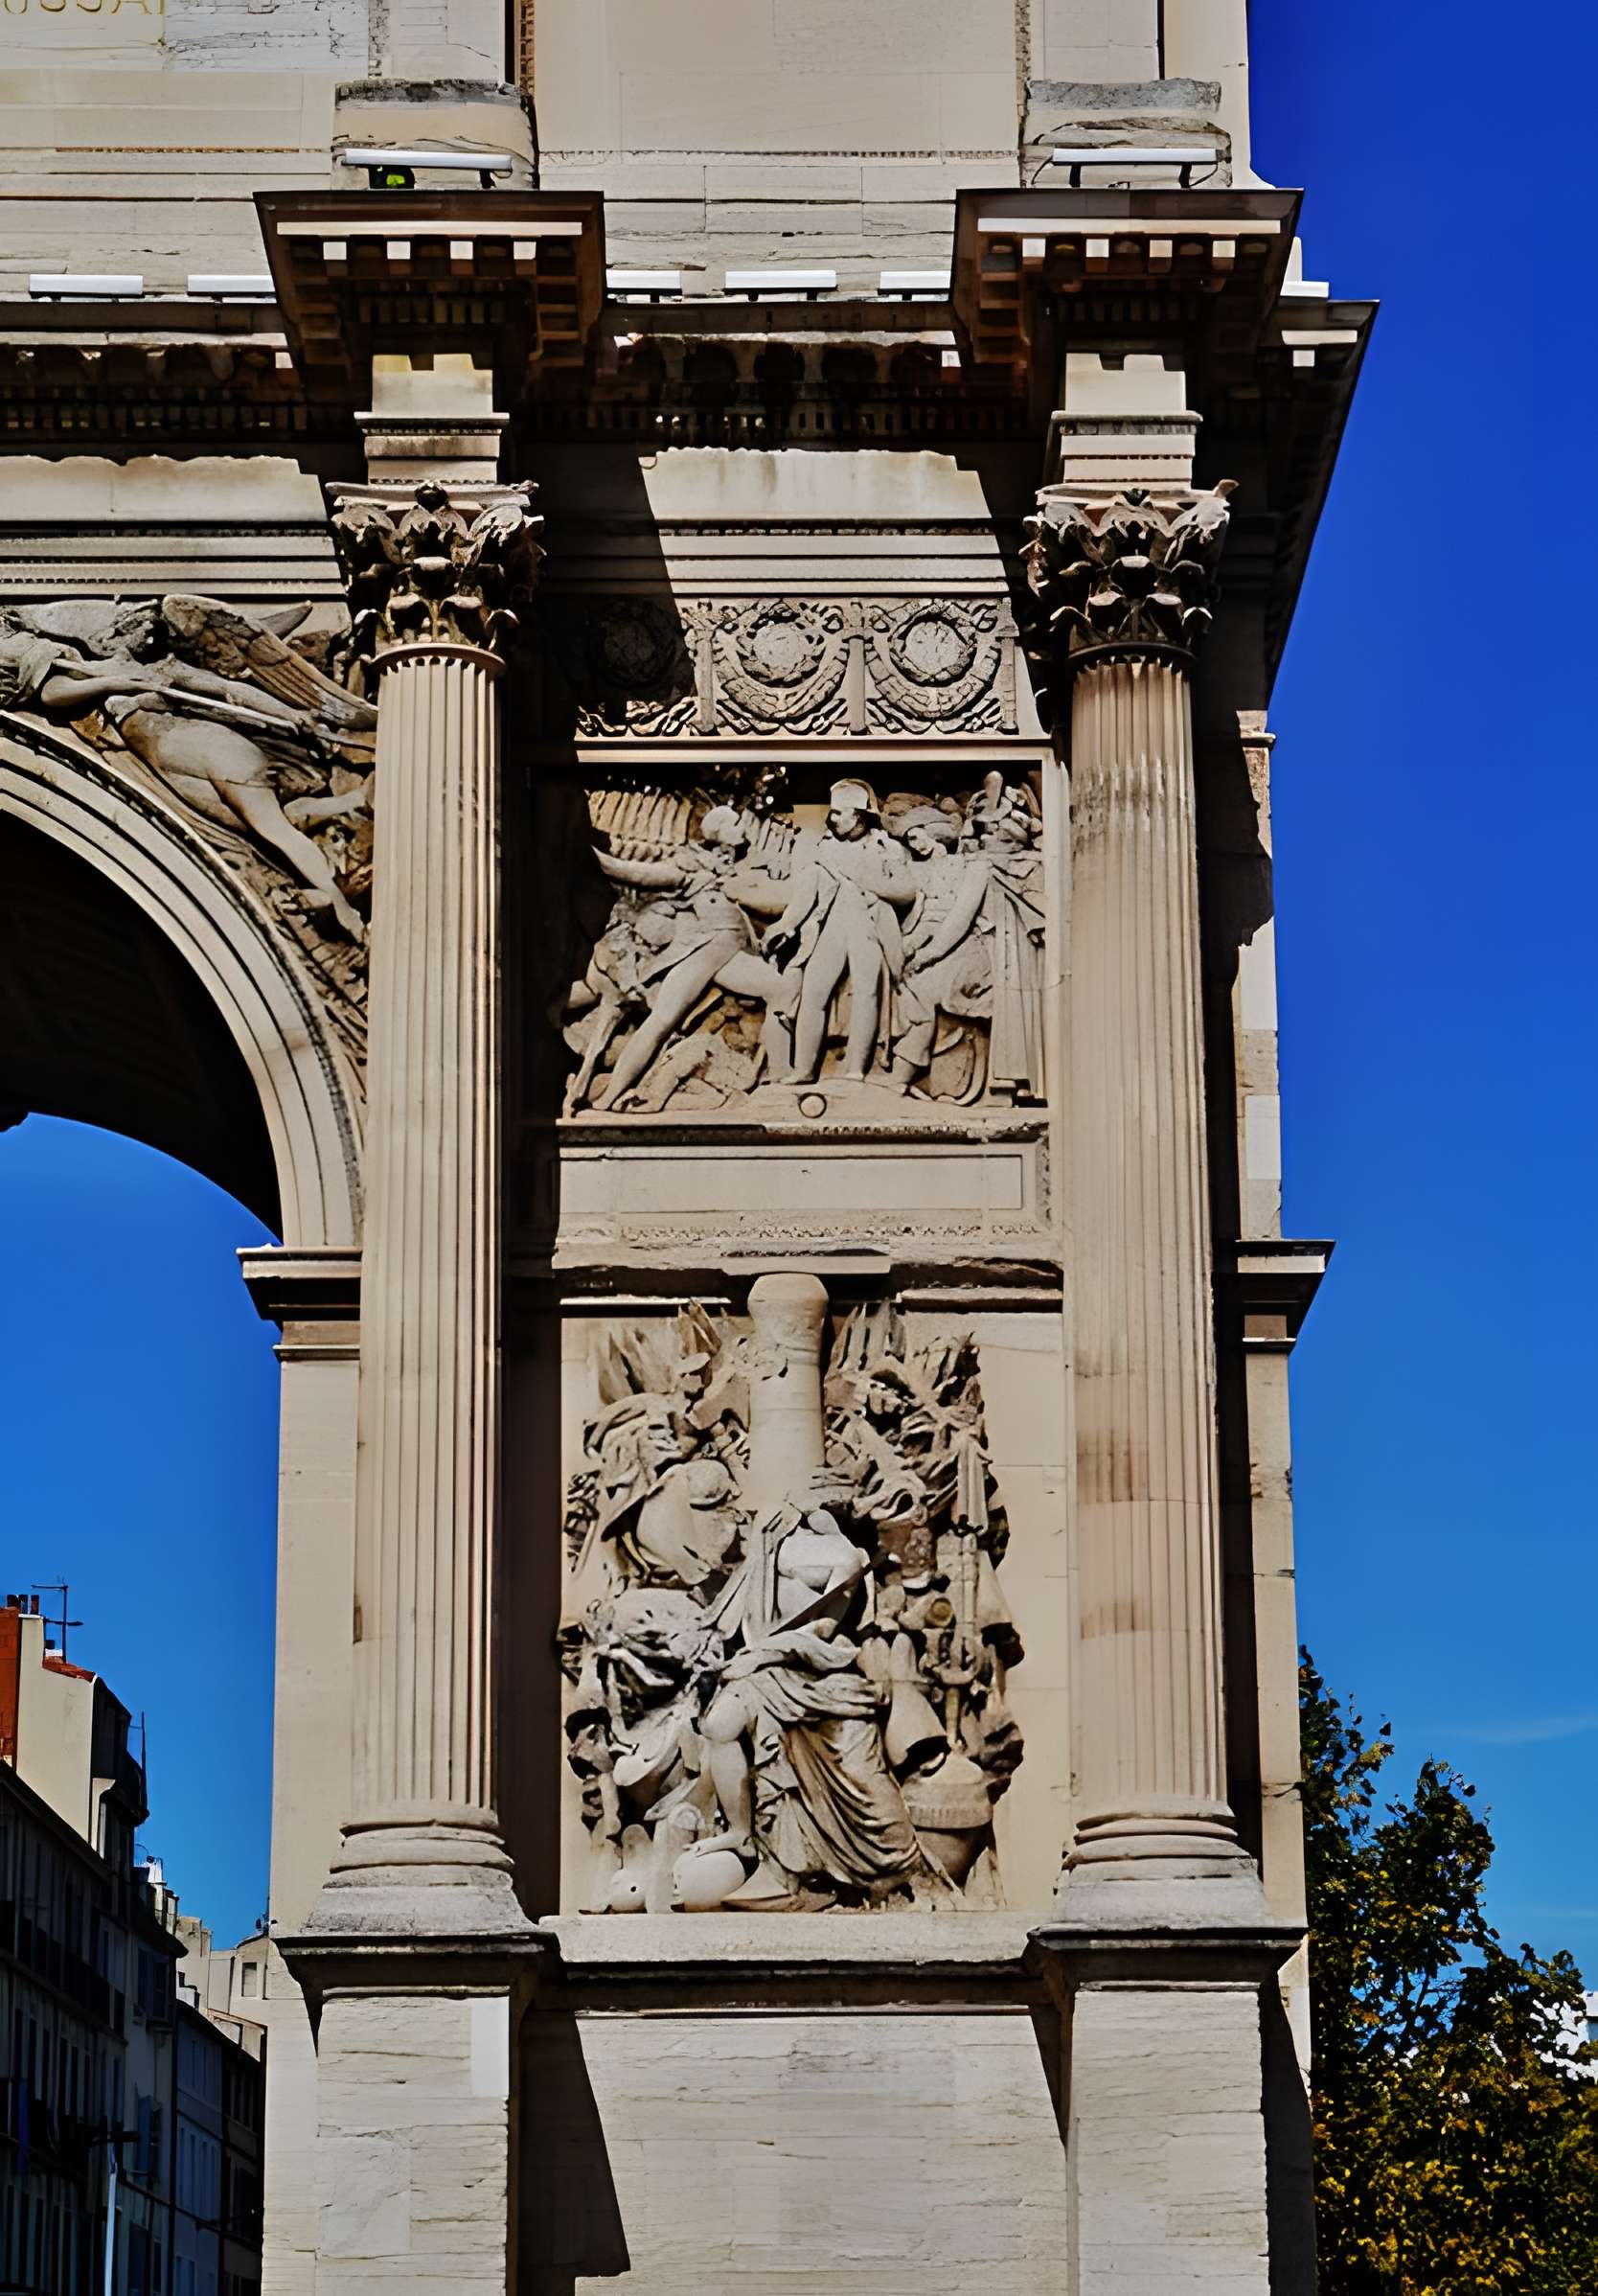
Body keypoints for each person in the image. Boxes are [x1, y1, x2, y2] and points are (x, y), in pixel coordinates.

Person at [577, 806, 793, 1109]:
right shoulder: (689, 866)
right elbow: (636, 873)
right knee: (661, 1022)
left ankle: (780, 1077)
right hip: (703, 950)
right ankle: (610, 1095)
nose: (742, 829)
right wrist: (589, 854)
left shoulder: (741, 863)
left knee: (783, 990)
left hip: (731, 951)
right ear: (717, 832)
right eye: (734, 824)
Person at [761, 778, 917, 1082]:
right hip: (831, 927)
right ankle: (804, 1069)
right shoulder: (825, 849)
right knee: (813, 993)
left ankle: (856, 1069)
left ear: (858, 816)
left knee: (867, 994)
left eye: (838, 813)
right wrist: (785, 925)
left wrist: (874, 884)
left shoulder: (886, 848)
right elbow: (805, 896)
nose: (832, 818)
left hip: (868, 927)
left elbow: (907, 891)